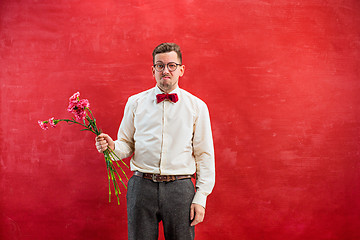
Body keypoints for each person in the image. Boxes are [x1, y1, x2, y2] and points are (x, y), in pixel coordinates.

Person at [95, 43, 215, 240]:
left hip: (180, 188)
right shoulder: (135, 103)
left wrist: (201, 197)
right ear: (153, 70)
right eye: (159, 65)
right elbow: (126, 145)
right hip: (141, 187)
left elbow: (204, 154)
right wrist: (111, 147)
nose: (165, 70)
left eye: (171, 65)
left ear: (181, 70)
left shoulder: (197, 107)